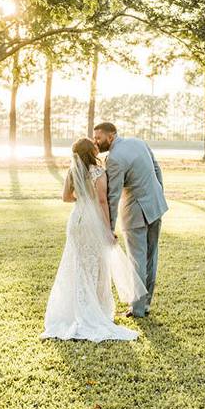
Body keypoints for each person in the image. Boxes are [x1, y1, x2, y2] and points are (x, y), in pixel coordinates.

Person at [40, 137, 146, 342]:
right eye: (95, 146)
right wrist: (108, 228)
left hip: (76, 221)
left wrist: (81, 198)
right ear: (91, 151)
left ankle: (71, 311)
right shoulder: (98, 172)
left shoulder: (73, 172)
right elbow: (101, 201)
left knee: (75, 264)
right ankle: (94, 310)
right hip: (92, 222)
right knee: (95, 266)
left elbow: (66, 198)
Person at [92, 122, 168, 318]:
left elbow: (113, 196)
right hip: (156, 205)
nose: (95, 142)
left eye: (98, 138)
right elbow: (157, 169)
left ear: (111, 137)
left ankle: (138, 308)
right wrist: (158, 192)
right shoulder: (138, 142)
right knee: (152, 256)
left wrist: (108, 228)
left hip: (136, 213)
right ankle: (146, 303)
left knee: (137, 260)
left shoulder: (114, 158)